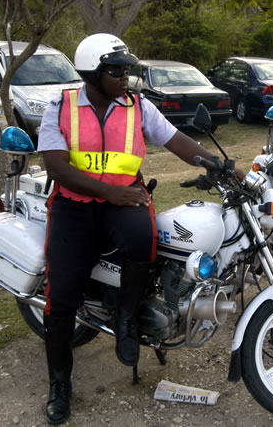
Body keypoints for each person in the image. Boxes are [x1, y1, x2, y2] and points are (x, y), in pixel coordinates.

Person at [36, 33, 223, 425]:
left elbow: (177, 141)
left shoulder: (138, 107)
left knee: (145, 238)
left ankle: (126, 318)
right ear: (92, 73)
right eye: (115, 70)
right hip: (74, 206)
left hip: (124, 199)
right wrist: (109, 192)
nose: (125, 77)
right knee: (62, 295)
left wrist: (219, 165)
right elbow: (56, 166)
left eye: (126, 69)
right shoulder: (61, 106)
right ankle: (59, 384)